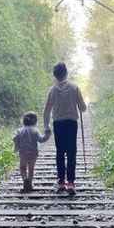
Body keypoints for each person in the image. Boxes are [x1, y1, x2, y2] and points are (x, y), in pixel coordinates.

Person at [43, 61, 87, 194]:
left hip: (58, 124)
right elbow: (83, 108)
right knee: (72, 152)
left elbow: (46, 111)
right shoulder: (75, 88)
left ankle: (61, 182)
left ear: (55, 76)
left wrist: (46, 126)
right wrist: (81, 105)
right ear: (66, 73)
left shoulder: (52, 90)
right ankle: (71, 183)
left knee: (60, 152)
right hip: (71, 124)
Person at [13, 111, 50, 193]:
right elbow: (41, 139)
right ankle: (30, 182)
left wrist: (16, 146)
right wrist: (47, 134)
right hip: (33, 153)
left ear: (23, 121)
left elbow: (15, 138)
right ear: (35, 122)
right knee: (31, 168)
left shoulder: (19, 130)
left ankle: (25, 180)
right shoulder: (35, 130)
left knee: (22, 167)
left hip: (23, 152)